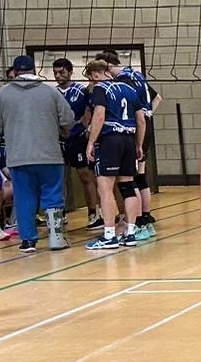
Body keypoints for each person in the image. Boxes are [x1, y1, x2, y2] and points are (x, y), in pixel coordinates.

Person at [0, 54, 75, 252]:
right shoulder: (50, 92)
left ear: (15, 72)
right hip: (49, 155)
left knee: (24, 198)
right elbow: (68, 118)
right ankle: (56, 238)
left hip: (19, 157)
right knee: (53, 196)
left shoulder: (3, 94)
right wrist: (60, 129)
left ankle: (28, 241)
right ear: (34, 70)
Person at [84, 58, 147, 250]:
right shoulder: (130, 89)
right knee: (128, 186)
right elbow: (141, 120)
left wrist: (91, 143)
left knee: (105, 188)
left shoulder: (101, 89)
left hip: (110, 140)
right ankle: (130, 233)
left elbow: (99, 115)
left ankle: (109, 235)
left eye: (92, 79)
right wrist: (139, 144)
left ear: (97, 75)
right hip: (128, 140)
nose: (92, 84)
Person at [100, 51, 159, 241]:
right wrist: (148, 115)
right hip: (144, 124)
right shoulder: (136, 74)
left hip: (131, 128)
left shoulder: (123, 81)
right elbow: (158, 99)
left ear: (107, 67)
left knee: (130, 179)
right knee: (139, 175)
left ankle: (139, 222)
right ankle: (145, 220)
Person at [52, 57, 100, 229]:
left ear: (70, 72)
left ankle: (94, 213)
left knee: (85, 176)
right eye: (55, 72)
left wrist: (83, 130)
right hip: (59, 140)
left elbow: (88, 112)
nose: (58, 75)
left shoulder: (81, 90)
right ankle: (60, 214)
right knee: (59, 178)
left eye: (61, 72)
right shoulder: (53, 93)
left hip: (78, 138)